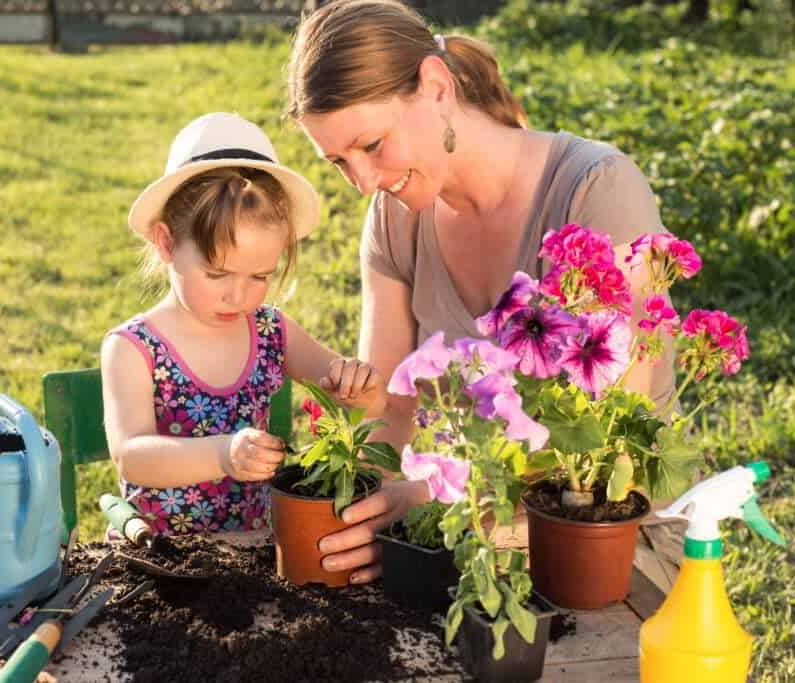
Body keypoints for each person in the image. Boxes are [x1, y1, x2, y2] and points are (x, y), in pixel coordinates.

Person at [284, 0, 677, 583]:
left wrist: (429, 499)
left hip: (601, 545)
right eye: (339, 161)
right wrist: (364, 510)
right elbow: (391, 413)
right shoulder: (395, 218)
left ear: (437, 88)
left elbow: (602, 450)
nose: (363, 180)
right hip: (460, 538)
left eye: (371, 146)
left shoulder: (597, 192)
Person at [102, 112, 387, 537]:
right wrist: (223, 454)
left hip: (255, 555)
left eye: (260, 277)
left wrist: (360, 386)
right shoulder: (134, 348)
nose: (239, 297)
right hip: (162, 560)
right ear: (166, 243)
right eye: (217, 274)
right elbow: (132, 456)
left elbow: (362, 404)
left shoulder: (272, 332)